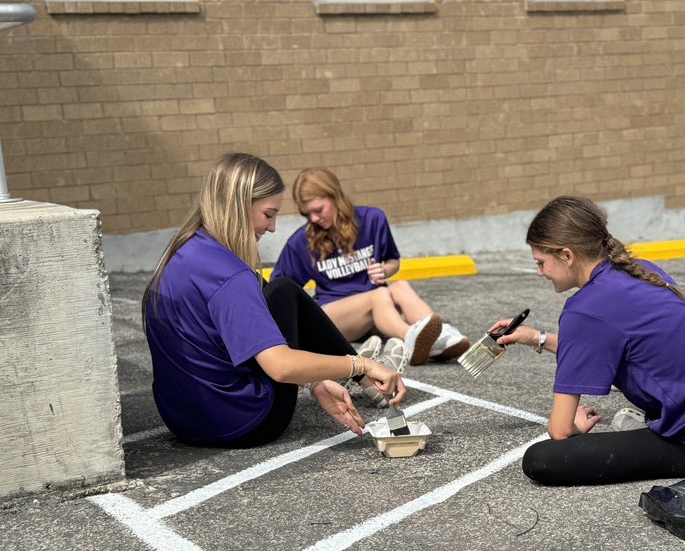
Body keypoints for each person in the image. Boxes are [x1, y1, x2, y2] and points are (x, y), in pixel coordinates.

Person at [142, 153, 405, 447]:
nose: (272, 228)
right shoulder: (231, 276)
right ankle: (369, 378)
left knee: (274, 290)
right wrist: (360, 365)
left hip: (182, 419)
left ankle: (346, 373)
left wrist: (315, 381)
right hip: (246, 423)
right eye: (269, 214)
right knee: (284, 290)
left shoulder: (182, 252)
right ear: (238, 207)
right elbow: (281, 367)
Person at [490, 195, 685, 486]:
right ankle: (653, 425)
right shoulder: (639, 269)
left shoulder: (583, 311)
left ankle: (658, 431)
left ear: (567, 255)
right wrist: (536, 338)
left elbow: (560, 430)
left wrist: (574, 426)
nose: (539, 272)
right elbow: (597, 347)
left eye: (541, 263)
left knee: (541, 459)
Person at [271, 167, 470, 370]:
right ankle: (410, 338)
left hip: (376, 314)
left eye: (318, 210)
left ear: (335, 197)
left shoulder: (373, 219)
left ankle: (442, 336)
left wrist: (384, 272)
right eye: (307, 214)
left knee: (399, 286)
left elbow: (393, 261)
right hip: (334, 316)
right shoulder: (300, 241)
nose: (313, 219)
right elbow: (279, 289)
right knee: (380, 294)